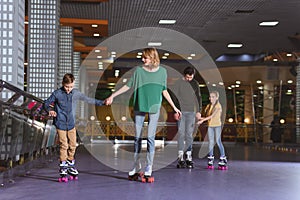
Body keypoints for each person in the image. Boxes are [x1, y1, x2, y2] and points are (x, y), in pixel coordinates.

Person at [105, 48, 181, 180]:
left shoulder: (163, 72)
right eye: (142, 57)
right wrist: (113, 95)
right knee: (137, 138)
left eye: (145, 57)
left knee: (151, 138)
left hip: (155, 107)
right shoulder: (138, 71)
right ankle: (136, 165)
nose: (142, 59)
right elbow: (128, 86)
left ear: (152, 58)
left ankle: (149, 166)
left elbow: (164, 91)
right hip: (139, 105)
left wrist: (175, 107)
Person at [43, 73, 104, 182]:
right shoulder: (57, 94)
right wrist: (50, 110)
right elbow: (46, 103)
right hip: (60, 123)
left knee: (73, 145)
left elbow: (88, 99)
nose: (68, 89)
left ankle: (70, 164)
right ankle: (63, 167)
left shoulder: (76, 93)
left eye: (71, 86)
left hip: (71, 124)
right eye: (67, 87)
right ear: (63, 84)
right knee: (64, 145)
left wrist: (102, 102)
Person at [170, 66, 202, 168]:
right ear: (184, 75)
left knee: (189, 135)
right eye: (187, 77)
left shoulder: (195, 84)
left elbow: (198, 97)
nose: (189, 79)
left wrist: (199, 111)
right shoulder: (178, 83)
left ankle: (189, 156)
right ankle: (180, 157)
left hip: (191, 112)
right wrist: (175, 111)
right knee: (181, 134)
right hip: (181, 112)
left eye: (191, 77)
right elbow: (174, 98)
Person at [197, 91, 227, 170]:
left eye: (213, 97)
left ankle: (223, 157)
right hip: (210, 126)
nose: (211, 98)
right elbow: (208, 117)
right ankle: (210, 158)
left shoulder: (218, 106)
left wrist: (202, 120)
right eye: (210, 97)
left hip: (217, 126)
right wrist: (200, 118)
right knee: (210, 142)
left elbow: (212, 116)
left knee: (218, 142)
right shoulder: (209, 106)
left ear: (217, 98)